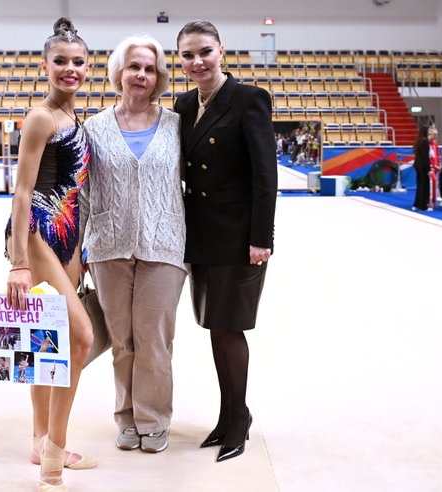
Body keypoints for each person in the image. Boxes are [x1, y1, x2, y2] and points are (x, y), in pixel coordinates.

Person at [174, 20, 277, 463]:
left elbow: (264, 175)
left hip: (239, 238)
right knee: (215, 327)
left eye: (205, 52)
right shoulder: (182, 103)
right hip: (201, 235)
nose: (197, 62)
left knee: (230, 329)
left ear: (222, 52)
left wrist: (261, 238)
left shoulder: (249, 98)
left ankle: (239, 421)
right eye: (188, 55)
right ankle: (228, 413)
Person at [81, 34, 187, 454]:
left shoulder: (178, 125)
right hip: (108, 248)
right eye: (133, 66)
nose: (141, 74)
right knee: (122, 341)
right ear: (118, 74)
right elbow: (84, 193)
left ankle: (154, 418)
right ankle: (125, 417)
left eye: (149, 68)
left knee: (155, 341)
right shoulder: (94, 127)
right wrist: (77, 253)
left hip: (165, 247)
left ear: (158, 76)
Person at [3, 17, 96, 492]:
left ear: (89, 68)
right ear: (45, 66)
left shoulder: (76, 118)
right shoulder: (40, 117)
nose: (70, 69)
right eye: (60, 61)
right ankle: (54, 457)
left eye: (78, 62)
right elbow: (22, 192)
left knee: (47, 339)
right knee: (80, 337)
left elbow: (76, 191)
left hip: (62, 239)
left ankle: (40, 439)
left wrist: (76, 252)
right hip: (35, 232)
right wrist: (20, 261)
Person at [412, 126, 433, 211]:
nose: (429, 132)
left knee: (420, 185)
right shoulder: (425, 141)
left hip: (417, 165)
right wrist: (428, 170)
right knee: (424, 186)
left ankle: (417, 204)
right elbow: (425, 157)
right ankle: (423, 205)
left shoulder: (418, 140)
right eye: (429, 130)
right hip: (423, 166)